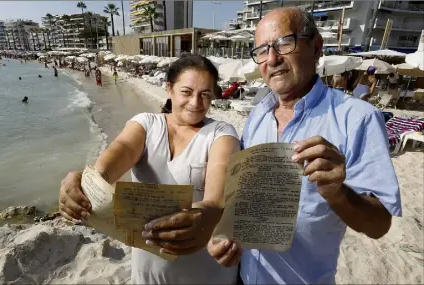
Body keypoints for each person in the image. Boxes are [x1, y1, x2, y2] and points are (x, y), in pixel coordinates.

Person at [208, 8, 401, 284]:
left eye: (285, 43)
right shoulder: (257, 115)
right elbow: (244, 198)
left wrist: (337, 193)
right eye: (262, 50)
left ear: (316, 47)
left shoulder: (357, 118)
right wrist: (225, 235)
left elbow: (380, 225)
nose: (272, 59)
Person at [59, 55, 240, 284]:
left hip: (205, 273)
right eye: (186, 92)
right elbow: (121, 151)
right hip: (148, 273)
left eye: (205, 94)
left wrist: (209, 211)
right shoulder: (147, 123)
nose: (195, 102)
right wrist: (87, 181)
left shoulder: (221, 132)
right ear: (169, 89)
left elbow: (218, 184)